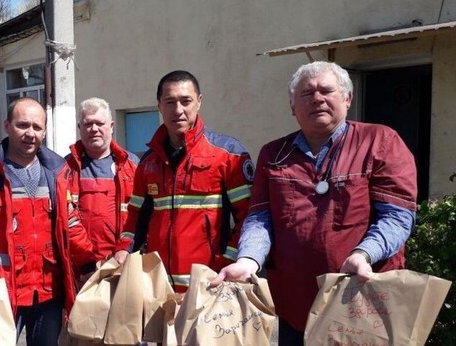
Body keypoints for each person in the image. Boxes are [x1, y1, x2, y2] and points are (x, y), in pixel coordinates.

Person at [211, 61, 417, 345]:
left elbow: (397, 216)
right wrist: (248, 260)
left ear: (347, 98)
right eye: (307, 93)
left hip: (361, 302)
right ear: (292, 106)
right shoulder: (274, 154)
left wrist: (364, 253)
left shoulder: (380, 141)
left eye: (326, 91)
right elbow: (260, 218)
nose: (317, 99)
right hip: (295, 306)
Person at [0, 97, 96, 346]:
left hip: (48, 293)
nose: (30, 133)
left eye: (37, 127)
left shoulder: (57, 172)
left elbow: (71, 224)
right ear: (7, 125)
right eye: (22, 125)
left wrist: (89, 266)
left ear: (44, 131)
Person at [113, 70, 255, 292]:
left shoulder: (228, 155)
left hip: (209, 285)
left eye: (185, 101)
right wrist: (124, 248)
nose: (178, 110)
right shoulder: (148, 162)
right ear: (159, 106)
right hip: (160, 289)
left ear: (199, 102)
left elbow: (248, 218)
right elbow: (135, 218)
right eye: (170, 102)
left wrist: (228, 261)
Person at [66, 97, 139, 263]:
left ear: (111, 126)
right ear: (79, 128)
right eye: (88, 124)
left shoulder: (132, 165)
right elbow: (66, 220)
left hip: (123, 262)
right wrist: (86, 262)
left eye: (99, 123)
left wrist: (125, 249)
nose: (94, 129)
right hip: (80, 266)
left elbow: (140, 215)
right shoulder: (65, 168)